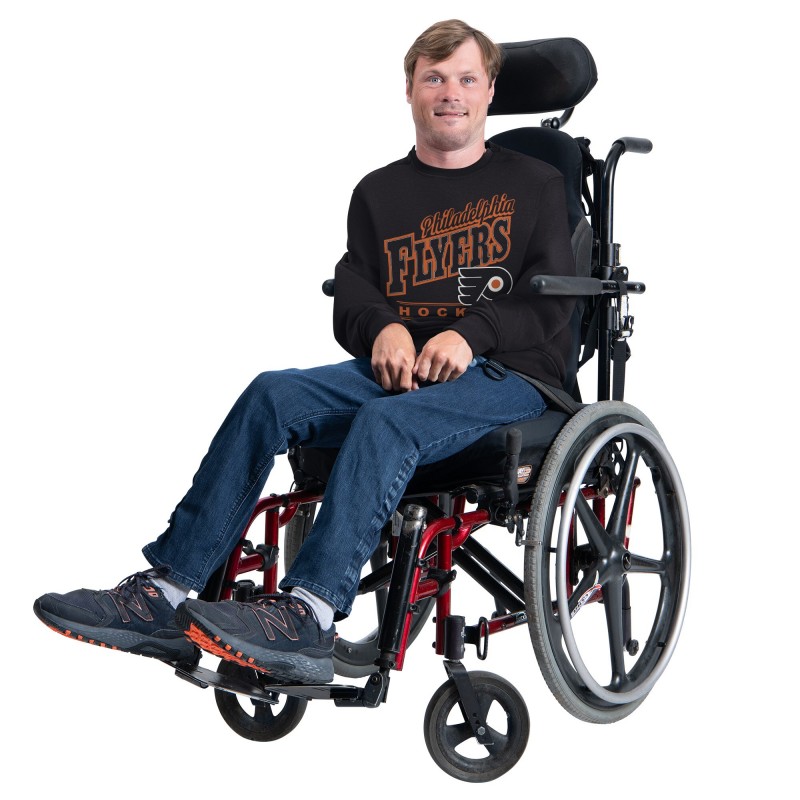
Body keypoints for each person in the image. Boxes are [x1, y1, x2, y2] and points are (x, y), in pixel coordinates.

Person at [33, 19, 576, 685]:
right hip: (401, 374)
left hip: (508, 376)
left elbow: (555, 301)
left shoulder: (538, 184)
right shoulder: (378, 192)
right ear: (409, 89)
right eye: (434, 78)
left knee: (385, 422)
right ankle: (165, 595)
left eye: (466, 79)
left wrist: (471, 334)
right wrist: (383, 328)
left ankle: (309, 615)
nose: (450, 93)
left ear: (490, 90)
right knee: (272, 393)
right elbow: (354, 289)